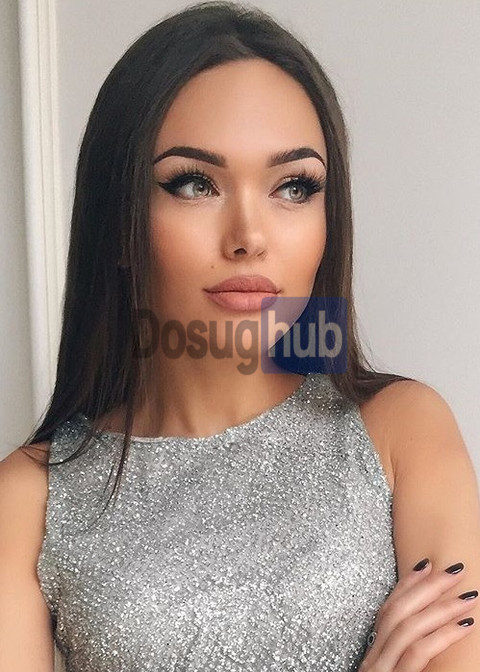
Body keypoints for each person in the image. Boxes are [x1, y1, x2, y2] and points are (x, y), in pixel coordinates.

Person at [1, 2, 479, 671]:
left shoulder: (403, 430)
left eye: (294, 187)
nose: (249, 236)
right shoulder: (29, 498)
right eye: (194, 183)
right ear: (119, 224)